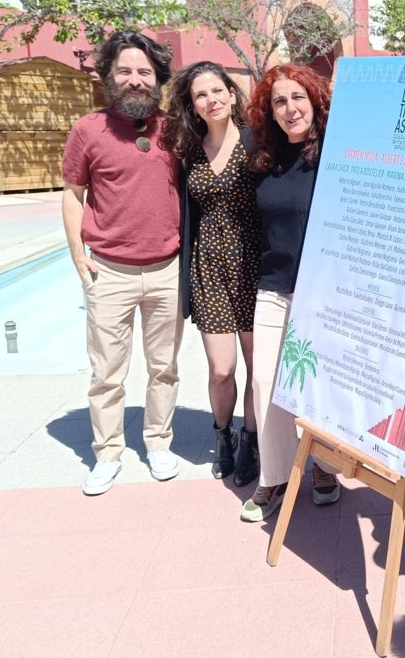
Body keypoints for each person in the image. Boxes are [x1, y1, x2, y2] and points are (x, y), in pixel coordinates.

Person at [62, 30, 182, 496]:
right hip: (109, 269)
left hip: (167, 268)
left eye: (144, 72)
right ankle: (107, 452)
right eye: (126, 71)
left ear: (158, 79)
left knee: (163, 366)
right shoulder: (88, 129)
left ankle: (158, 443)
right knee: (107, 371)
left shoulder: (174, 129)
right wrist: (78, 254)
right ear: (109, 76)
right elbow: (73, 194)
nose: (135, 80)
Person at [239, 63, 341, 522]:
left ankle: (322, 467)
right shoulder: (264, 159)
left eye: (297, 97)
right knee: (266, 382)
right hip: (274, 285)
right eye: (279, 101)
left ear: (314, 101)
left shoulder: (337, 154)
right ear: (270, 112)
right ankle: (275, 475)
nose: (289, 108)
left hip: (324, 294)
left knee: (317, 385)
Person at [162, 61, 262, 486]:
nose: (212, 99)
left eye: (218, 90)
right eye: (201, 94)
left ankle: (253, 438)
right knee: (221, 369)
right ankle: (224, 436)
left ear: (232, 93)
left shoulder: (258, 143)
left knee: (260, 369)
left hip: (257, 267)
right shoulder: (188, 152)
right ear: (192, 104)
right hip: (210, 270)